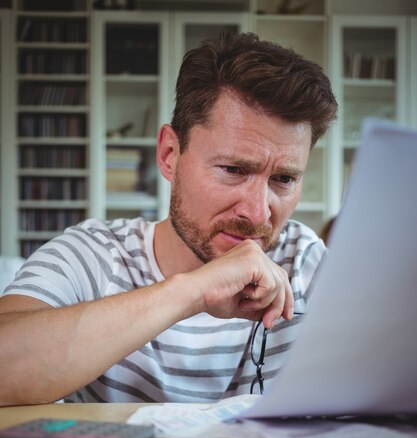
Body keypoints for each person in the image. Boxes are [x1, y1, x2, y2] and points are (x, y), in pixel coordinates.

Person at [0, 32, 337, 406]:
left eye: (284, 179)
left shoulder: (304, 260)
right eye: (233, 169)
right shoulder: (92, 254)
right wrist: (192, 292)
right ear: (169, 155)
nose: (258, 213)